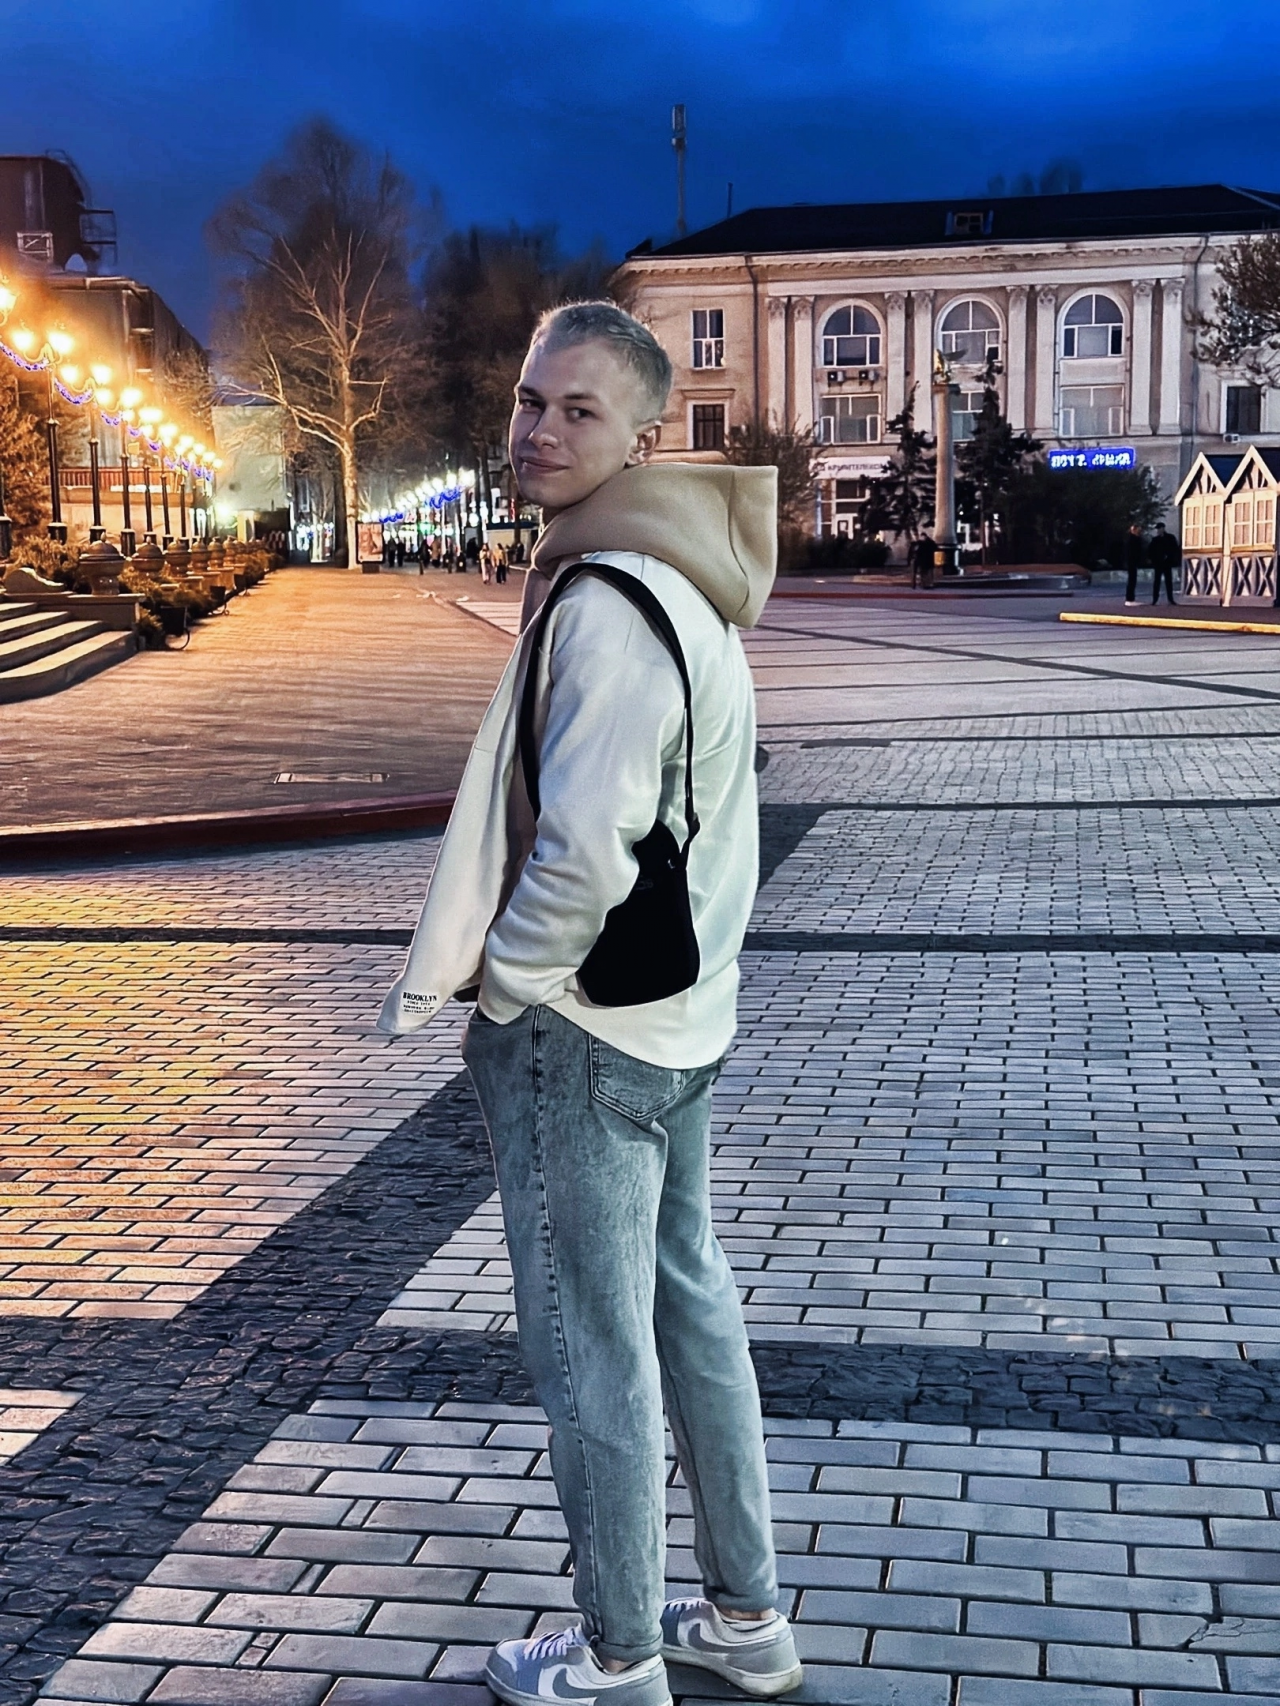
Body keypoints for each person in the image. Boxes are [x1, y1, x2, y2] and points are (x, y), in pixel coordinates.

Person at [380, 301, 799, 1706]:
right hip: (676, 1020)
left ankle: (618, 1653)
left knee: (591, 1347)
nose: (540, 431)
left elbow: (582, 849)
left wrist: (506, 991)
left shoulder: (610, 601)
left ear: (642, 437)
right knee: (687, 1308)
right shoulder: (685, 583)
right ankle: (743, 1616)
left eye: (579, 410)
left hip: (588, 1031)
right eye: (529, 400)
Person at [1148, 520, 1180, 605]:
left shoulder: (1170, 538)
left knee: (1168, 582)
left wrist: (1169, 557)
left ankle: (1170, 599)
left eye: (1159, 529)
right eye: (1157, 529)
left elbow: (1174, 549)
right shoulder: (1155, 540)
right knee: (1157, 582)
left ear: (1163, 528)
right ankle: (1155, 599)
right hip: (1158, 563)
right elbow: (1150, 551)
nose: (1158, 530)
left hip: (1167, 563)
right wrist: (1153, 559)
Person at [1124, 523, 1146, 605]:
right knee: (1132, 580)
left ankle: (1130, 598)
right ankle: (1130, 599)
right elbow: (1132, 552)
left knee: (1132, 580)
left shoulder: (1133, 539)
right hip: (1132, 562)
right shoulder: (1132, 540)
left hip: (1132, 562)